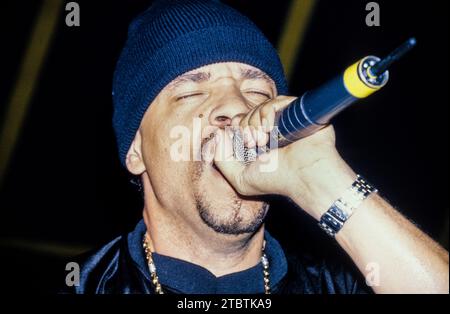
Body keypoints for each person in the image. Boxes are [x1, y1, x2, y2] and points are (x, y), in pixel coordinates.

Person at [63, 0, 449, 294]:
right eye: (191, 92)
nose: (237, 106)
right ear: (136, 151)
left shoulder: (349, 283)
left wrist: (325, 183)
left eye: (256, 91)